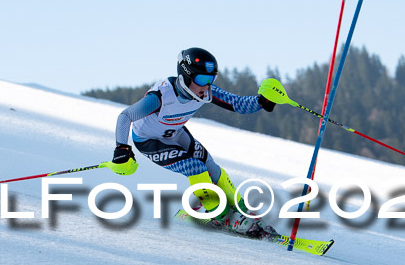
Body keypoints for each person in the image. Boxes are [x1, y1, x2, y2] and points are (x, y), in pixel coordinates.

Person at [111, 47, 282, 237]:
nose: (206, 85)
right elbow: (125, 116)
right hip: (149, 141)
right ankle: (220, 215)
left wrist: (261, 101)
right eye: (202, 79)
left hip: (175, 133)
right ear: (186, 76)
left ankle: (242, 209)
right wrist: (122, 147)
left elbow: (238, 104)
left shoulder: (205, 91)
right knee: (194, 166)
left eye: (212, 79)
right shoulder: (160, 97)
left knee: (211, 166)